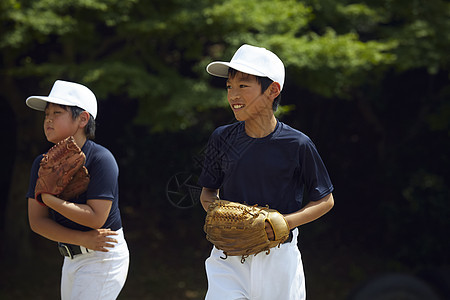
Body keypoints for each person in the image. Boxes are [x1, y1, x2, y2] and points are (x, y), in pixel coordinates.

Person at [198, 44, 335, 300]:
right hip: (229, 253)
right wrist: (216, 211)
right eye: (229, 86)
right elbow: (208, 191)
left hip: (279, 258)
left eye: (243, 86)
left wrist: (285, 222)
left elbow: (325, 200)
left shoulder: (297, 144)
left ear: (273, 89)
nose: (233, 95)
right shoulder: (222, 138)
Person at [25, 80, 129, 300]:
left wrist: (49, 199)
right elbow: (37, 222)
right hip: (72, 256)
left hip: (102, 256)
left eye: (57, 112)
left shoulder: (101, 159)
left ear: (83, 119)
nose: (49, 119)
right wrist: (80, 239)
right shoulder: (41, 164)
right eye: (46, 114)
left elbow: (96, 219)